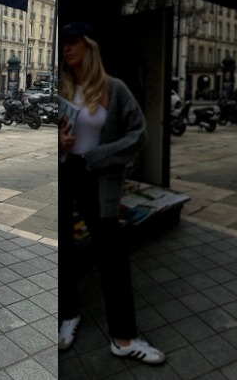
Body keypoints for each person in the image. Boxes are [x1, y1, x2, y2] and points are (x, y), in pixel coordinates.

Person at [57, 21, 165, 365]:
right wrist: (58, 143)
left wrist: (101, 156)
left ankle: (124, 337)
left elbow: (139, 133)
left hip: (96, 177)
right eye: (64, 43)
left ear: (89, 47)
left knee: (113, 257)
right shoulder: (60, 87)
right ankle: (68, 314)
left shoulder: (112, 88)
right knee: (63, 251)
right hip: (64, 174)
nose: (66, 49)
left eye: (74, 42)